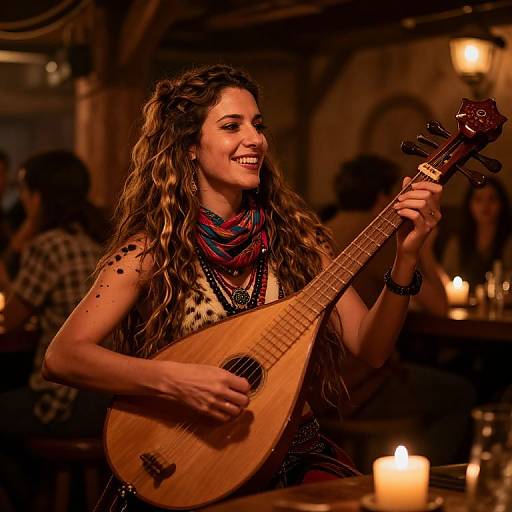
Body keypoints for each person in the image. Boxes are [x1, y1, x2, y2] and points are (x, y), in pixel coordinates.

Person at [42, 65, 442, 509]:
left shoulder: (298, 242)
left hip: (292, 455)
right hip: (190, 459)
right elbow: (64, 356)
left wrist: (407, 258)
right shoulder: (148, 252)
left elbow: (371, 346)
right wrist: (176, 380)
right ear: (190, 147)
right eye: (232, 126)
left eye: (257, 125)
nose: (254, 139)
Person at [325, 154, 476, 468]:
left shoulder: (322, 230)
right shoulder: (371, 236)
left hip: (324, 385)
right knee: (461, 393)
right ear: (384, 196)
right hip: (361, 389)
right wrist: (426, 248)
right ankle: (424, 477)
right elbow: (439, 305)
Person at [0, 150, 111, 511]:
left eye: (24, 192)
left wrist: (15, 247)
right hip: (107, 401)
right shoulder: (100, 240)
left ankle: (31, 501)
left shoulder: (48, 246)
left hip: (63, 402)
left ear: (37, 198)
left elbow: (10, 320)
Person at [441, 176, 512, 288]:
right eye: (479, 199)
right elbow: (446, 280)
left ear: (502, 203)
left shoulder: (508, 241)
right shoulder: (458, 243)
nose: (485, 206)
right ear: (470, 204)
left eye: (492, 199)